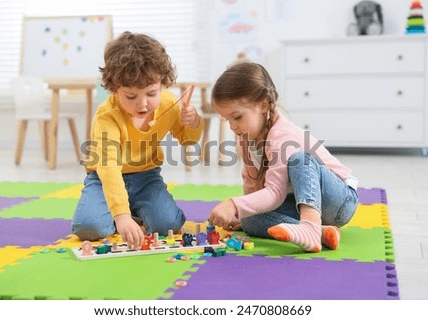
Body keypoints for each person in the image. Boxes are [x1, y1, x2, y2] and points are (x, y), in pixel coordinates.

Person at [72, 32, 204, 249]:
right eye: (131, 96)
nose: (142, 104)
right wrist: (122, 216)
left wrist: (194, 122)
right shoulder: (107, 116)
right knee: (89, 228)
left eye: (151, 93)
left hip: (146, 177)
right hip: (104, 179)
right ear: (114, 88)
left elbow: (187, 141)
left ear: (162, 83)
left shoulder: (169, 104)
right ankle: (125, 211)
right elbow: (108, 167)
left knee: (168, 224)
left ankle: (132, 210)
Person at [208, 62, 358, 253]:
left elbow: (274, 193)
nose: (232, 126)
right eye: (227, 119)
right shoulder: (245, 140)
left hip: (338, 200)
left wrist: (233, 204)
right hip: (297, 203)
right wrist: (241, 212)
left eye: (236, 117)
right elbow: (253, 184)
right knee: (249, 219)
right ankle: (321, 233)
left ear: (263, 105)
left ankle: (310, 227)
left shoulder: (284, 136)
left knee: (300, 159)